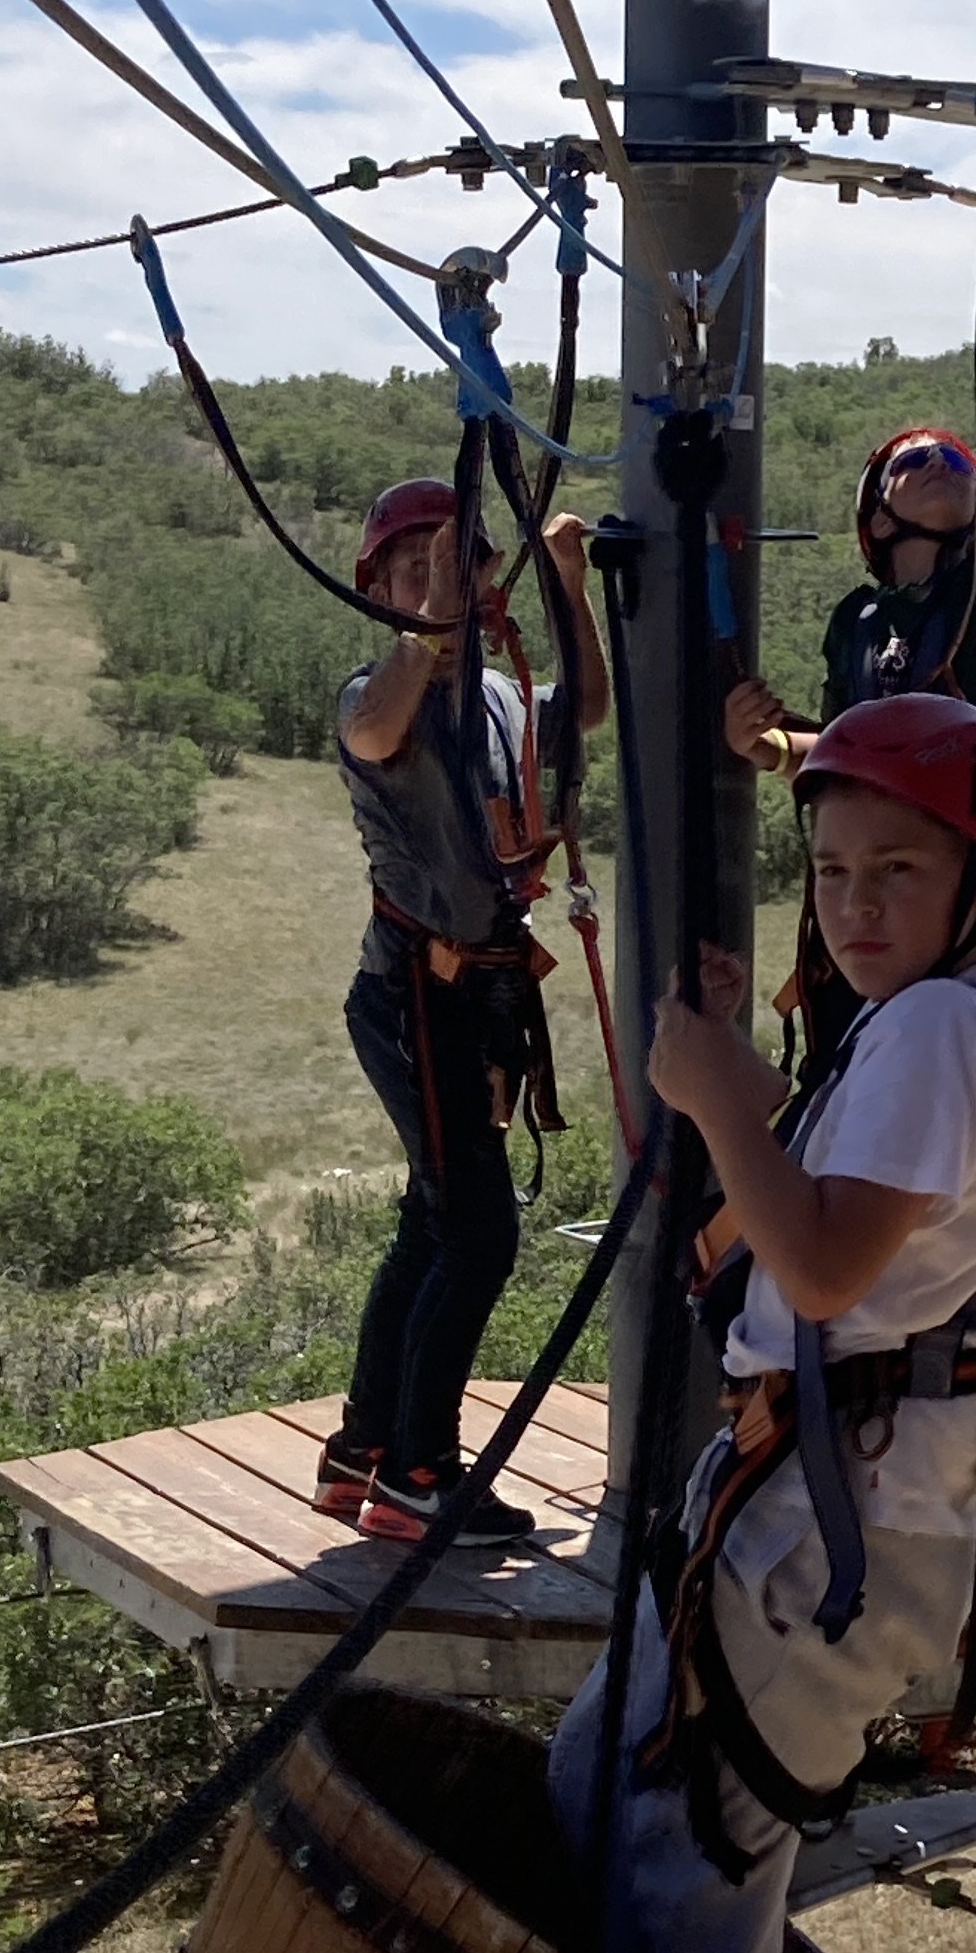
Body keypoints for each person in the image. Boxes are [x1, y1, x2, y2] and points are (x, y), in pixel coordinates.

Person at [543, 686, 976, 1953]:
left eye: (898, 869)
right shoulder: (952, 1018)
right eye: (832, 872)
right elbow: (845, 1209)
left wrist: (717, 1098)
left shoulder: (938, 1029)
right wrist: (743, 1073)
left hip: (831, 1519)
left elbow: (826, 1267)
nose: (854, 905)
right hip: (837, 1494)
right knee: (625, 1795)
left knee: (684, 1854)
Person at [313, 476, 607, 1548]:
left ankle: (363, 1451)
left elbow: (580, 710)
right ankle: (421, 1471)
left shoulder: (491, 694)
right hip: (413, 995)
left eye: (458, 560)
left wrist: (568, 585)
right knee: (476, 1231)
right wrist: (436, 624)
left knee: (435, 1220)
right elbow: (377, 731)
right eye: (413, 565)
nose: (436, 581)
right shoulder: (375, 690)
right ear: (381, 588)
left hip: (463, 994)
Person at [721, 134, 976, 1067]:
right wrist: (771, 743)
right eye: (913, 460)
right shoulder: (857, 625)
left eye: (956, 460)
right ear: (877, 516)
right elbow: (846, 752)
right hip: (858, 917)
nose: (942, 461)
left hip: (943, 897)